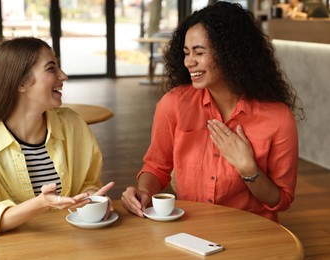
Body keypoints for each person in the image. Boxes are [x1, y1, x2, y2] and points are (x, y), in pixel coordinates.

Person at [122, 2, 304, 223]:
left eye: (199, 52)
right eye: (186, 53)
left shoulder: (278, 118)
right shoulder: (173, 105)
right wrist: (144, 192)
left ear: (231, 53)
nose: (189, 62)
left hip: (252, 233)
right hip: (192, 230)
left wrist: (249, 170)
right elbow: (156, 166)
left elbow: (281, 200)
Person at [0, 37, 115, 258]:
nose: (63, 76)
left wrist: (93, 200)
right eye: (51, 69)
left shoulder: (72, 124)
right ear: (20, 83)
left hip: (68, 247)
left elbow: (88, 183)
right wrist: (40, 204)